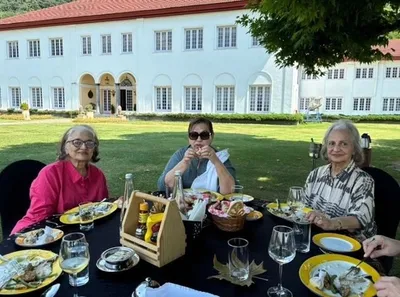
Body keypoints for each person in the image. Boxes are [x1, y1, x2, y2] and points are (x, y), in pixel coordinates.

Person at [11, 125, 109, 234]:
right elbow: (40, 218)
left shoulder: (98, 175)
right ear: (65, 147)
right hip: (41, 232)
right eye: (77, 142)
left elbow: (102, 210)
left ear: (94, 149)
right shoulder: (50, 174)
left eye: (89, 143)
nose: (84, 147)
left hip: (82, 231)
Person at [304, 119, 377, 240]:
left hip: (353, 245)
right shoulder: (315, 175)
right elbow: (304, 208)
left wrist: (332, 223)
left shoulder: (363, 181)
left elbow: (360, 218)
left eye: (343, 144)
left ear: (354, 149)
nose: (336, 149)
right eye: (331, 143)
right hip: (317, 238)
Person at [157, 117, 236, 195]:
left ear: (211, 137)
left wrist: (216, 161)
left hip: (211, 205)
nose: (198, 139)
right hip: (184, 204)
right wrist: (184, 162)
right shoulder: (181, 154)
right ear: (189, 138)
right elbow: (163, 186)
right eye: (194, 135)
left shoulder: (220, 157)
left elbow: (229, 191)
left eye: (204, 135)